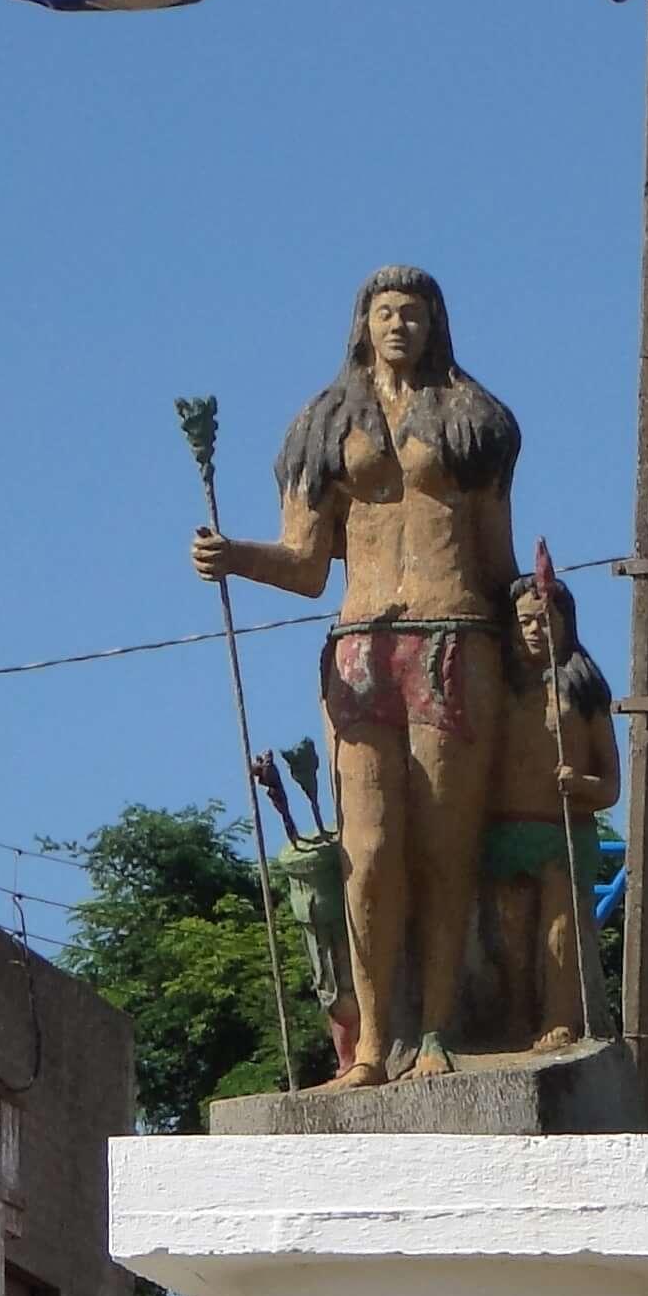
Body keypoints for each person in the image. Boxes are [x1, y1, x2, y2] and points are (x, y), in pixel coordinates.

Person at [191, 266, 518, 1085]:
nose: (399, 324)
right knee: (368, 852)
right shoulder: (326, 424)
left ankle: (436, 1029)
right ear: (362, 324)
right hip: (361, 647)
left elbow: (500, 561)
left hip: (455, 641)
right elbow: (306, 566)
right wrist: (235, 557)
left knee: (446, 850)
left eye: (414, 312)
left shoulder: (475, 421)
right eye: (385, 312)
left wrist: (538, 631)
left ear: (437, 323)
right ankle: (373, 1040)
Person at [481, 566, 617, 1052]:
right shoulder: (495, 686)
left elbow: (612, 786)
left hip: (562, 831)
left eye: (546, 619)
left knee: (560, 936)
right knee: (509, 937)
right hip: (505, 832)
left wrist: (579, 783)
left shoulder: (582, 689)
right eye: (526, 621)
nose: (537, 630)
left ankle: (560, 1017)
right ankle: (516, 1016)